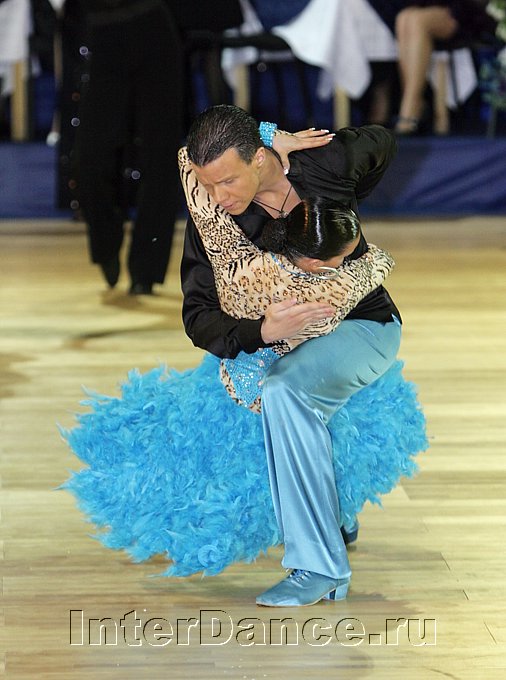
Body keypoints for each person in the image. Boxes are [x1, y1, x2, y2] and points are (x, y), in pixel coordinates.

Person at [62, 188, 426, 591]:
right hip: (250, 363)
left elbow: (371, 163)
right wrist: (264, 331)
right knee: (246, 440)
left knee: (299, 410)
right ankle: (327, 528)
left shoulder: (268, 219)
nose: (222, 192)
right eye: (338, 258)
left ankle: (327, 537)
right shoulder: (307, 276)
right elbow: (369, 266)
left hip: (293, 351)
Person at [180, 104, 426, 607]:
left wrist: (347, 204)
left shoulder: (323, 165)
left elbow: (382, 141)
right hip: (276, 343)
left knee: (285, 389)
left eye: (227, 181)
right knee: (266, 392)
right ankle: (334, 513)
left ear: (258, 159)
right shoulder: (214, 221)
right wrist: (263, 330)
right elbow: (198, 316)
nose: (217, 197)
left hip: (364, 324)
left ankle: (319, 568)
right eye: (208, 185)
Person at [366, 1, 497, 134]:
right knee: (404, 17)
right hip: (431, 8)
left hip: (465, 13)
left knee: (418, 21)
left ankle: (410, 110)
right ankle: (414, 105)